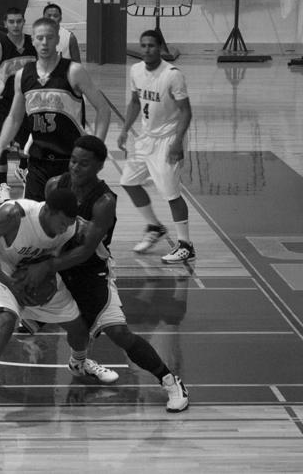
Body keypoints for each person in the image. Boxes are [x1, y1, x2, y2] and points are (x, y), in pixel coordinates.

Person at [21, 135, 189, 413]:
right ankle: (77, 361)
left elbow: (86, 251)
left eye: (84, 164)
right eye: (73, 161)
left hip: (90, 272)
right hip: (59, 270)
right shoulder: (55, 185)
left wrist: (46, 267)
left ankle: (170, 380)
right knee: (9, 318)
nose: (75, 167)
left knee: (119, 333)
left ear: (99, 166)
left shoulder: (104, 201)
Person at [0, 188, 118, 438]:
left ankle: (78, 364)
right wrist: (8, 281)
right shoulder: (13, 215)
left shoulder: (70, 226)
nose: (65, 228)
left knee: (78, 329)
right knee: (4, 321)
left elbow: (88, 244)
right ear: (48, 210)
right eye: (62, 222)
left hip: (29, 275)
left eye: (70, 223)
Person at [0, 17, 110, 201]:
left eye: (49, 37)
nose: (44, 43)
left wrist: (96, 149)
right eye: (40, 38)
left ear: (57, 39)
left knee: (68, 223)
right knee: (35, 223)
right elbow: (15, 118)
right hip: (38, 162)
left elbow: (103, 109)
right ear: (32, 40)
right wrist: (0, 147)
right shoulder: (23, 75)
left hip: (70, 162)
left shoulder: (73, 71)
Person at [117, 30, 195, 264]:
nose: (147, 49)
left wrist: (177, 142)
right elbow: (134, 102)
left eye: (151, 45)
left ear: (160, 47)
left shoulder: (172, 75)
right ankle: (155, 226)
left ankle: (186, 245)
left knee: (171, 194)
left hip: (168, 140)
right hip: (146, 138)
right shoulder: (135, 71)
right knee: (128, 182)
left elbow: (186, 112)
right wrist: (123, 129)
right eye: (143, 45)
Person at [0, 7, 36, 203]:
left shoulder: (34, 43)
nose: (15, 25)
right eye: (11, 21)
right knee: (2, 145)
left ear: (23, 22)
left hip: (28, 102)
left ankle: (23, 168)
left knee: (28, 143)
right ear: (5, 24)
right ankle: (2, 186)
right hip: (3, 102)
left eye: (19, 21)